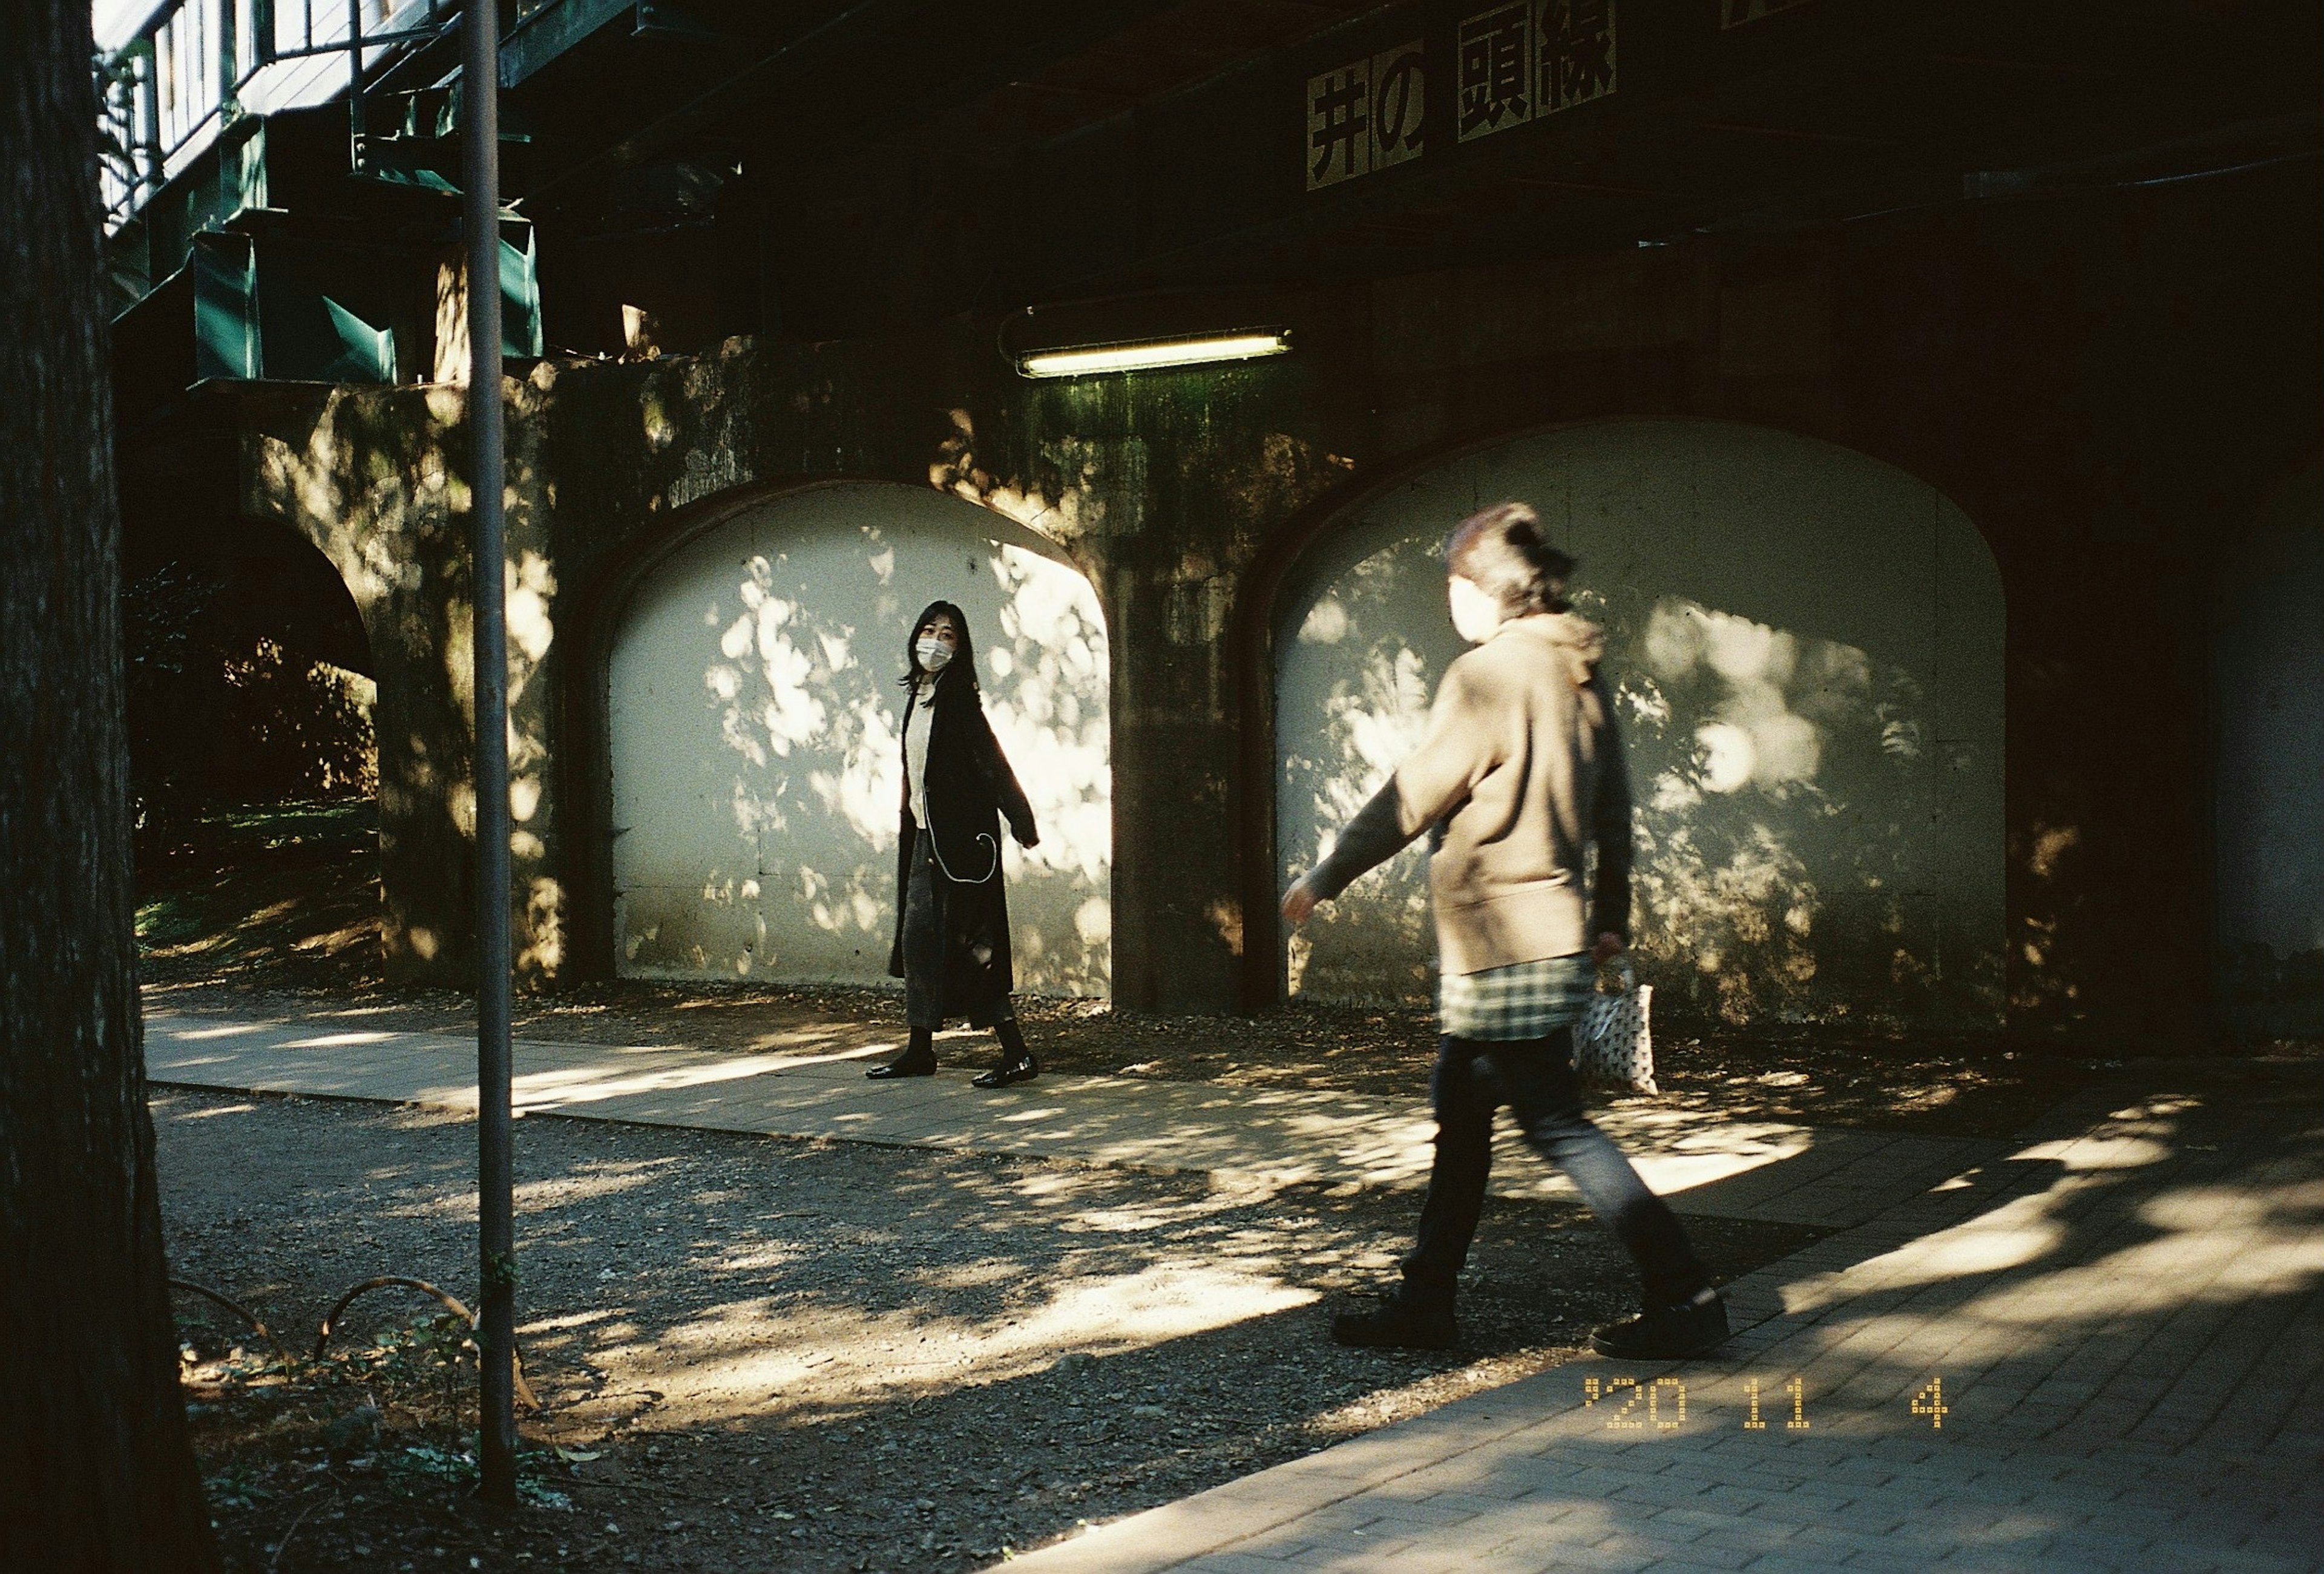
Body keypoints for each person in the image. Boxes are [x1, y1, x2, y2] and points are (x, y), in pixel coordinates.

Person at [1281, 502, 1727, 1360]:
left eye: (1453, 580)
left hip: (1501, 946)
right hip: (1549, 938)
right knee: (1465, 1117)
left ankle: (1686, 1292)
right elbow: (1616, 816)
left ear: (1487, 591)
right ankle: (1427, 1300)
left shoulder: (1489, 674)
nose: (1448, 598)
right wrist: (1607, 921)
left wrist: (1327, 872)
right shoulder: (1577, 672)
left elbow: (1417, 791)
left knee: (1555, 1125)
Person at [866, 600, 1044, 1088]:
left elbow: (991, 760)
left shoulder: (958, 697)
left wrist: (1021, 819)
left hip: (963, 846)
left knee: (971, 947)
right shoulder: (919, 696)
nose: (936, 641)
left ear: (959, 649)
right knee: (919, 940)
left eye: (948, 635)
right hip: (925, 838)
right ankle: (921, 1050)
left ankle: (1017, 1053)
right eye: (929, 630)